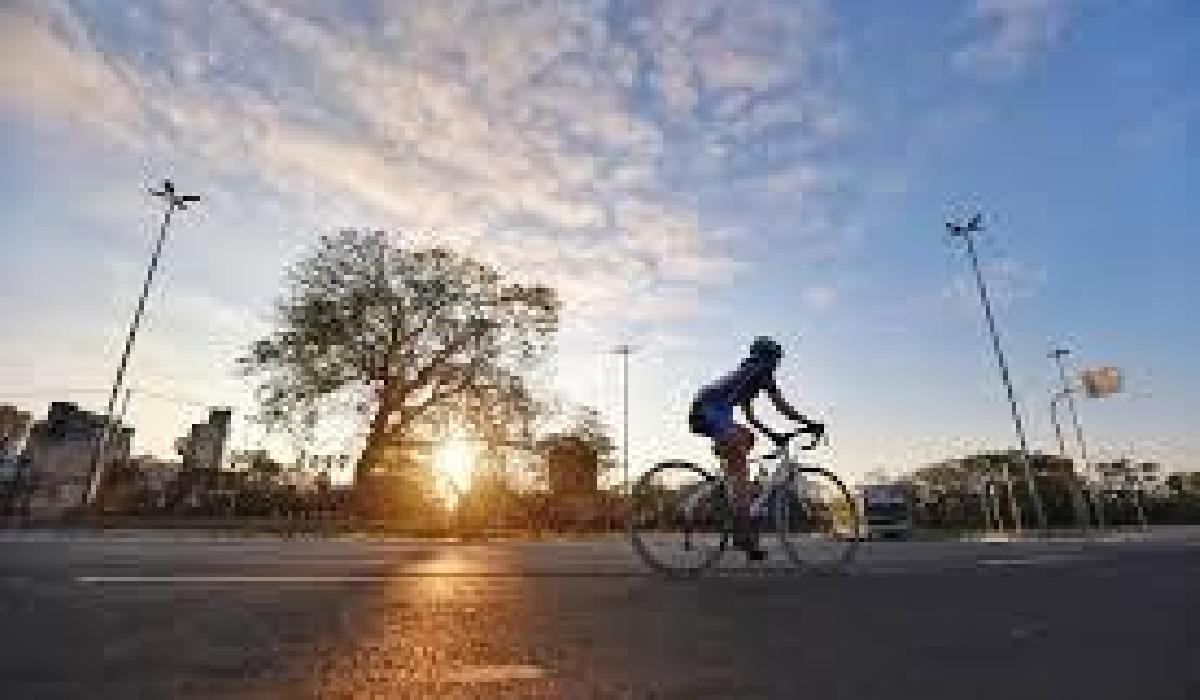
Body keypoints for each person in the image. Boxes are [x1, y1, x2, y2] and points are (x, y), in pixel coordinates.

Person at [688, 336, 824, 560]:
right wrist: (808, 423)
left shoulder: (747, 376)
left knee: (748, 438)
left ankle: (731, 482)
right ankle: (743, 531)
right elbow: (781, 405)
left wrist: (774, 435)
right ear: (767, 357)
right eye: (776, 360)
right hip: (710, 410)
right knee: (741, 463)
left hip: (710, 410)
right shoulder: (759, 370)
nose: (776, 366)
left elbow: (750, 416)